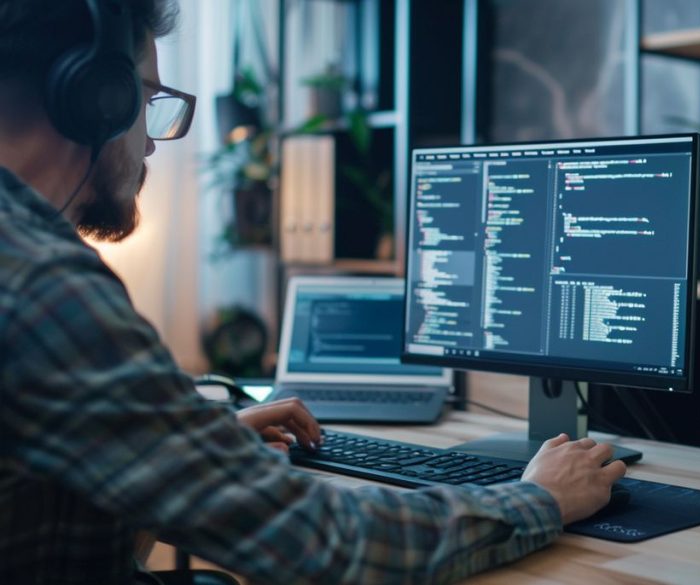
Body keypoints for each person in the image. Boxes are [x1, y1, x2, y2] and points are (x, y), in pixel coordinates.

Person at [0, 1, 627, 584]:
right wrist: (538, 498)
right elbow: (325, 544)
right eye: (151, 101)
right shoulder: (47, 286)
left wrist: (187, 455)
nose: (153, 142)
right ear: (95, 97)